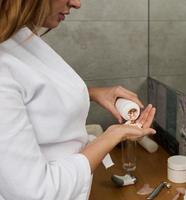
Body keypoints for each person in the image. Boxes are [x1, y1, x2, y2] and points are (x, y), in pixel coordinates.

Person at [0, 0, 156, 199]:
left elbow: (31, 95)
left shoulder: (19, 39)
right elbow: (37, 193)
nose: (76, 3)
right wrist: (112, 136)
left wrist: (91, 93)